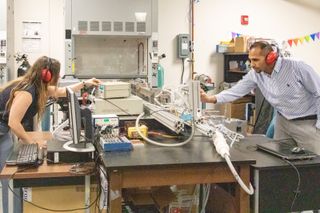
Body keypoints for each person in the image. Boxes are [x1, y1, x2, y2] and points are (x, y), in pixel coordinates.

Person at [0, 56, 101, 213]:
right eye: (57, 74)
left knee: (10, 171)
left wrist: (85, 83)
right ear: (47, 75)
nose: (59, 77)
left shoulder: (37, 86)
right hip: (1, 130)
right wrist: (32, 143)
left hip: (2, 130)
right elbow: (14, 123)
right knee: (9, 176)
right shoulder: (27, 91)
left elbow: (62, 91)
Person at [201, 41, 320, 153]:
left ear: (270, 57)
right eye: (250, 60)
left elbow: (318, 93)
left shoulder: (297, 68)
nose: (252, 64)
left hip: (307, 123)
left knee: (314, 163)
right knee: (282, 161)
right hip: (283, 122)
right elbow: (237, 90)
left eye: (256, 60)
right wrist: (210, 99)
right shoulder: (256, 74)